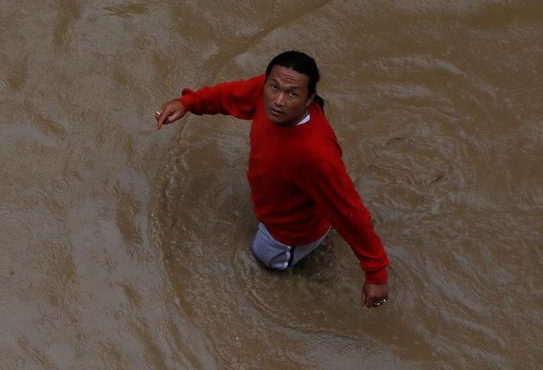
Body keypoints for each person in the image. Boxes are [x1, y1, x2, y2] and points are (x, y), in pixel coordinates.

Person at [154, 50, 389, 308]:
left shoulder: (317, 155)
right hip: (282, 203)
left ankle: (316, 273)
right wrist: (188, 103)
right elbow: (226, 95)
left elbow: (349, 212)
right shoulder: (264, 95)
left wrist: (375, 274)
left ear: (310, 98)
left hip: (288, 233)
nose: (278, 100)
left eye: (292, 94)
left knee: (264, 260)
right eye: (274, 87)